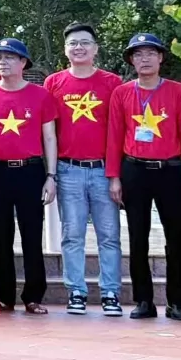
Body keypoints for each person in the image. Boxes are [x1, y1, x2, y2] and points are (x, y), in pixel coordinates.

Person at [107, 33, 181, 321]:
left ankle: (176, 301)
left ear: (160, 58)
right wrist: (114, 177)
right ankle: (143, 300)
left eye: (150, 53)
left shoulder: (177, 91)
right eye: (138, 54)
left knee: (177, 236)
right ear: (131, 60)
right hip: (134, 170)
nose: (144, 59)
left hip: (170, 171)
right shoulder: (121, 93)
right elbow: (113, 138)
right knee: (137, 237)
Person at [0, 38, 58, 314]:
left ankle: (33, 296)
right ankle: (4, 295)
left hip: (31, 170)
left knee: (32, 234)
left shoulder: (40, 95)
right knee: (2, 235)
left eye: (10, 57)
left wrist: (51, 175)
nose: (2, 62)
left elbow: (49, 137)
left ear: (23, 63)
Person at [44, 22, 124, 316]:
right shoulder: (53, 83)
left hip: (104, 171)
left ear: (95, 48)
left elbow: (118, 131)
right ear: (66, 50)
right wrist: (50, 173)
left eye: (85, 43)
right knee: (72, 234)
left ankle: (111, 292)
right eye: (73, 43)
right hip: (69, 170)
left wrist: (116, 174)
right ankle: (76, 290)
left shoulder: (112, 83)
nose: (79, 48)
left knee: (109, 235)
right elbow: (48, 131)